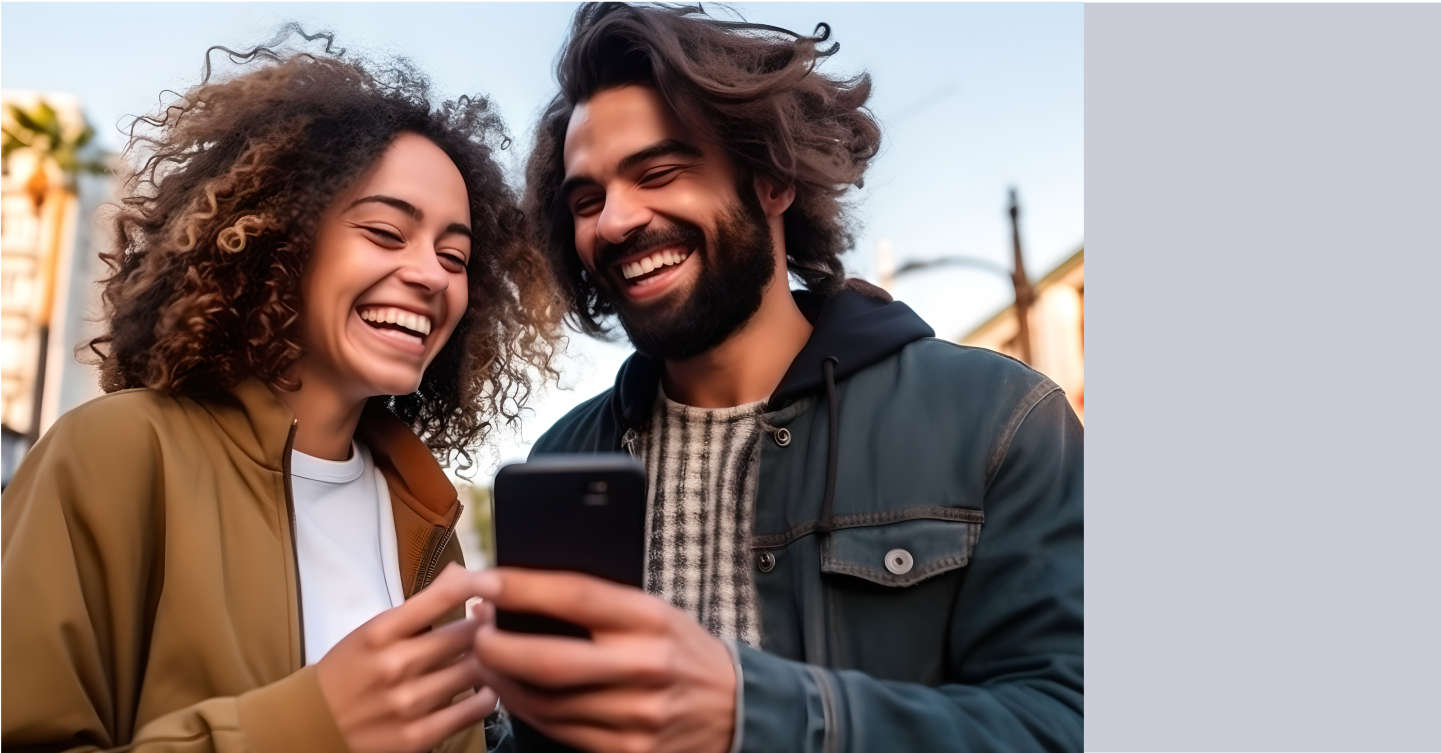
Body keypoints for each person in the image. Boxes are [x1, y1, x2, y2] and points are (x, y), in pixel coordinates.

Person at [467, 3, 1084, 753]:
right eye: (586, 200)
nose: (615, 221)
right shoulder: (565, 456)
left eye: (658, 172)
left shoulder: (1001, 420)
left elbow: (1066, 724)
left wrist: (749, 709)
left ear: (771, 180)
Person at [0, 31, 559, 753]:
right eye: (386, 232)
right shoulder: (114, 452)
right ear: (278, 239)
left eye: (455, 256)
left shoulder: (423, 520)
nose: (430, 274)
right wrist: (309, 726)